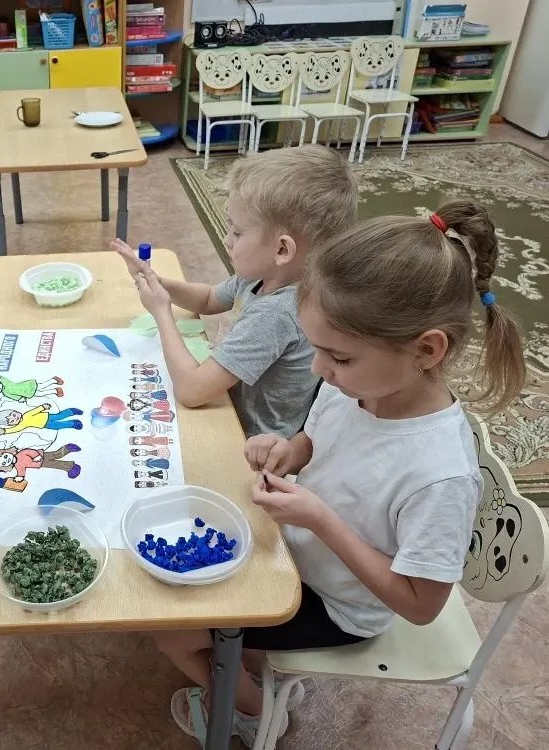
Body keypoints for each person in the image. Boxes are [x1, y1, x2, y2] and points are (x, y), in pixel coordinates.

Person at [155, 200, 526, 747]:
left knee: (171, 633)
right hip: (300, 557)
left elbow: (420, 605)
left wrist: (322, 520)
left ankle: (254, 712)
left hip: (342, 606)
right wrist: (287, 451)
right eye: (317, 350)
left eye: (338, 357)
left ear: (426, 350)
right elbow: (315, 440)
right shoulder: (356, 387)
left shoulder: (439, 475)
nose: (318, 369)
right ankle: (252, 668)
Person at [113, 145, 358, 438]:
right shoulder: (264, 276)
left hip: (246, 440)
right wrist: (156, 282)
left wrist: (161, 312)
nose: (227, 240)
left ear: (282, 249)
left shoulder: (277, 313)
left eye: (238, 232)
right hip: (228, 406)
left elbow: (191, 390)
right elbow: (208, 300)